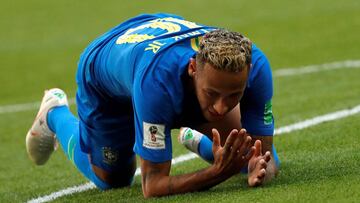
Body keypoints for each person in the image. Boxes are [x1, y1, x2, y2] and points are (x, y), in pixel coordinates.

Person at [26, 13, 279, 198]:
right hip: (107, 82)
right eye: (212, 93)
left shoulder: (255, 66)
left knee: (245, 151)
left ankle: (196, 139)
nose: (222, 108)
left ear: (249, 74)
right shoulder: (157, 85)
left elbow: (263, 158)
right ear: (193, 69)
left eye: (234, 95)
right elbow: (153, 186)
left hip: (155, 46)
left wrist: (259, 167)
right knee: (113, 179)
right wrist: (217, 173)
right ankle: (54, 114)